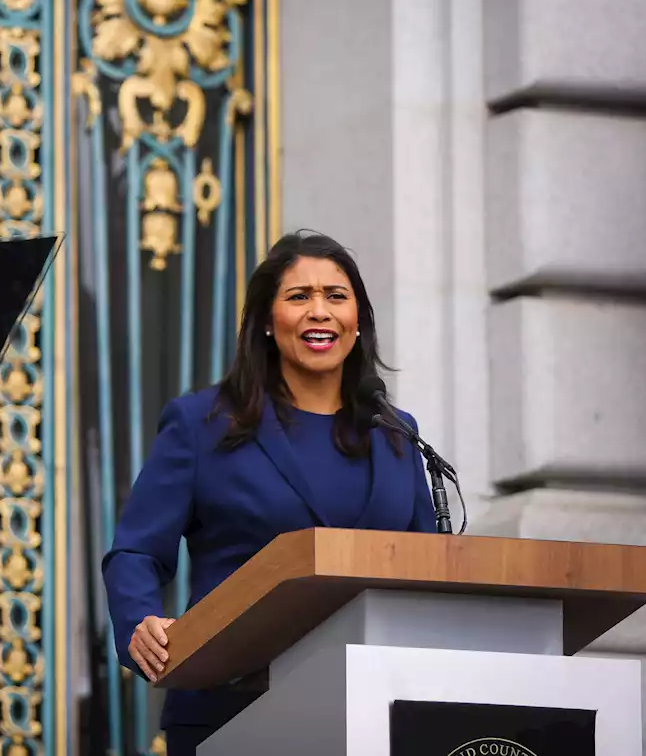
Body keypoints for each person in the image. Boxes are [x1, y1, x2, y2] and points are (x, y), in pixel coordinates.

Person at [101, 229, 438, 755]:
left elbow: (430, 570)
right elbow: (136, 552)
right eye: (299, 297)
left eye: (336, 296)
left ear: (357, 324)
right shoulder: (202, 424)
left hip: (377, 713)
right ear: (264, 322)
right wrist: (139, 621)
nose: (319, 311)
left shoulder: (397, 432)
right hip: (231, 710)